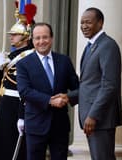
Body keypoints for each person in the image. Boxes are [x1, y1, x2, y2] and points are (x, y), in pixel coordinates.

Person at [55, 7, 122, 160]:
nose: (84, 26)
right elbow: (90, 84)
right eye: (81, 23)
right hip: (95, 119)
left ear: (100, 23)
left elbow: (109, 85)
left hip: (101, 119)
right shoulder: (91, 46)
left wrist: (93, 115)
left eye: (88, 22)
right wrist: (68, 97)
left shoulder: (107, 46)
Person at [16, 22, 79, 160]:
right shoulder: (23, 64)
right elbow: (24, 91)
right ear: (32, 40)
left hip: (60, 126)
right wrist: (50, 100)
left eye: (45, 37)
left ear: (52, 38)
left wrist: (67, 97)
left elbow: (78, 88)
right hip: (36, 125)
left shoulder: (64, 61)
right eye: (37, 38)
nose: (41, 41)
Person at [0, 19, 34, 160]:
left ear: (26, 36)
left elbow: (27, 89)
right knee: (0, 146)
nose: (11, 37)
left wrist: (22, 115)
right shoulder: (10, 56)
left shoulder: (30, 57)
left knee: (13, 149)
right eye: (11, 34)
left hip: (16, 108)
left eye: (15, 34)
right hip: (4, 107)